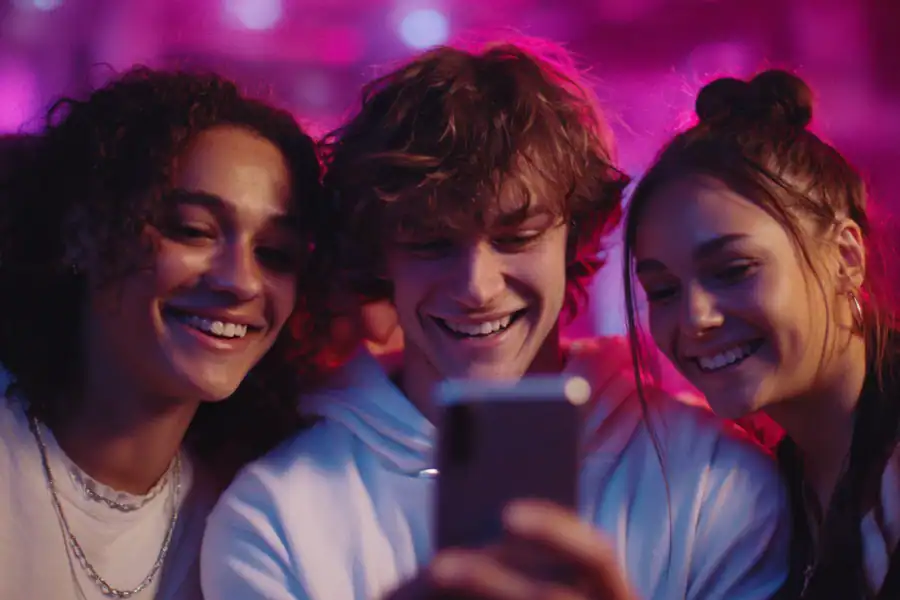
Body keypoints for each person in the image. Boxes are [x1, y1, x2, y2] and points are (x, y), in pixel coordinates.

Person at [200, 41, 790, 600]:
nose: (476, 288)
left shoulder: (718, 485)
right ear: (381, 255)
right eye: (431, 243)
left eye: (516, 237)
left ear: (576, 236)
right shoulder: (274, 518)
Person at [0, 67, 330, 599]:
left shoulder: (255, 514)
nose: (241, 281)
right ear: (83, 234)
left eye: (274, 254)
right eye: (193, 230)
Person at [623, 70, 900, 599]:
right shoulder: (774, 482)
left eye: (733, 270)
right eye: (662, 290)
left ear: (846, 255)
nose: (695, 318)